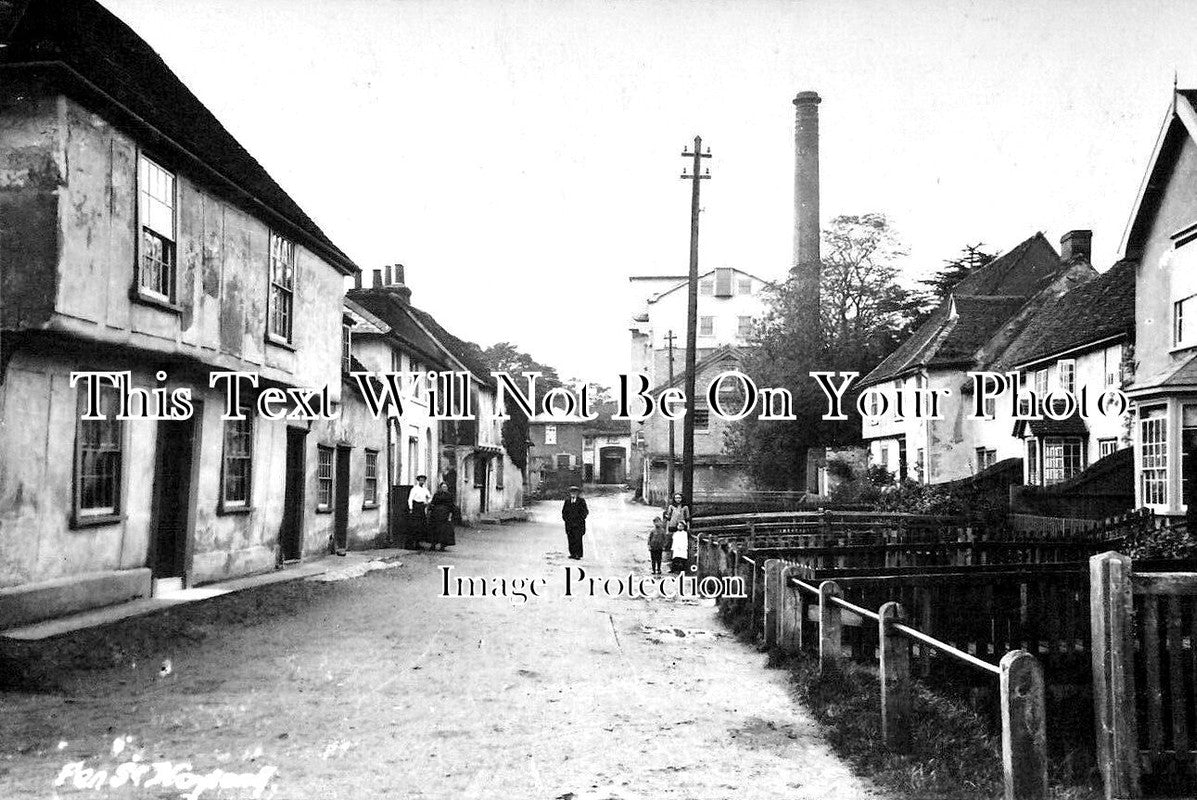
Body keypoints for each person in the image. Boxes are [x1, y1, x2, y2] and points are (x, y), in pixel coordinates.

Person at [561, 485, 588, 560]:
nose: (573, 494)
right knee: (570, 538)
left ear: (577, 493)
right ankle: (572, 553)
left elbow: (585, 512)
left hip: (578, 524)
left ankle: (578, 554)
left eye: (575, 492)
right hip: (569, 524)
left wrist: (580, 519)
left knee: (578, 539)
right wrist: (566, 519)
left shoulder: (581, 501)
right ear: (570, 493)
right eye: (572, 492)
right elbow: (564, 512)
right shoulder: (567, 501)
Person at [406, 475, 432, 550]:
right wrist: (411, 508)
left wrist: (427, 503)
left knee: (421, 526)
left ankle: (418, 543)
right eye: (420, 480)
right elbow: (410, 499)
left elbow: (429, 497)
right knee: (414, 526)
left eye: (423, 480)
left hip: (421, 507)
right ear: (418, 480)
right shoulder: (414, 489)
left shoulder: (425, 489)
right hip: (415, 507)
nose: (422, 482)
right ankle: (411, 544)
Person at [429, 481, 456, 551]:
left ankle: (442, 546)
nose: (444, 488)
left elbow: (451, 506)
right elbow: (433, 503)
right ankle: (433, 545)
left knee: (444, 531)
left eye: (445, 487)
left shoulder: (449, 495)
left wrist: (450, 516)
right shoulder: (436, 495)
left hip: (445, 515)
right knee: (435, 529)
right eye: (443, 487)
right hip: (436, 515)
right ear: (440, 488)